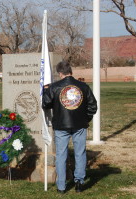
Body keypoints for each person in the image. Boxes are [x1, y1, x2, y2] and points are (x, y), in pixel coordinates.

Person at [42, 61, 97, 194]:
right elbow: (93, 106)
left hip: (61, 126)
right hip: (80, 126)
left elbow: (45, 104)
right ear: (71, 71)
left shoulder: (54, 87)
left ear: (60, 73)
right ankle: (79, 182)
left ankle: (61, 186)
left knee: (61, 155)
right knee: (80, 153)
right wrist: (85, 119)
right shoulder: (83, 86)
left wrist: (45, 91)